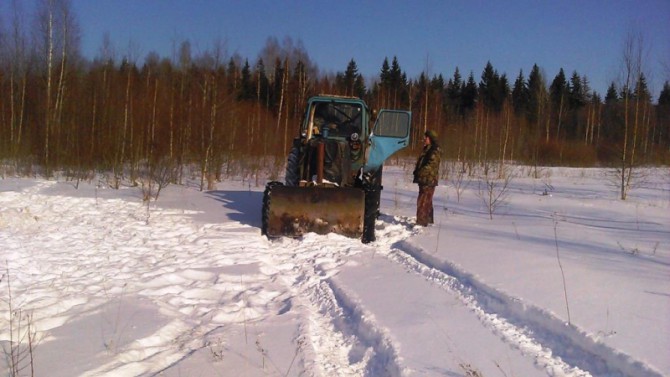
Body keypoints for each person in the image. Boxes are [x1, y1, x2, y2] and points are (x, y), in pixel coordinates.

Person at [413, 130, 441, 226]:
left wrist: (420, 172)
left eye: (426, 137)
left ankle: (421, 222)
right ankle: (428, 220)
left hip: (428, 179)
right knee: (427, 200)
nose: (424, 139)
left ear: (431, 139)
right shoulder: (428, 149)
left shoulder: (433, 150)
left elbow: (431, 165)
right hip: (426, 179)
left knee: (423, 201)